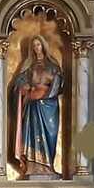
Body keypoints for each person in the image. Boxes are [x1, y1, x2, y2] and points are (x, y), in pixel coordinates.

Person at [9, 35, 63, 178]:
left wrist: (45, 94)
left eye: (38, 45)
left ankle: (48, 166)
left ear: (43, 46)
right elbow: (18, 84)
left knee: (50, 135)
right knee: (32, 135)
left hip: (49, 106)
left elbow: (59, 84)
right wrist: (25, 89)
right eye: (34, 46)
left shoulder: (53, 66)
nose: (36, 48)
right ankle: (32, 168)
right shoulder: (30, 67)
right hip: (33, 106)